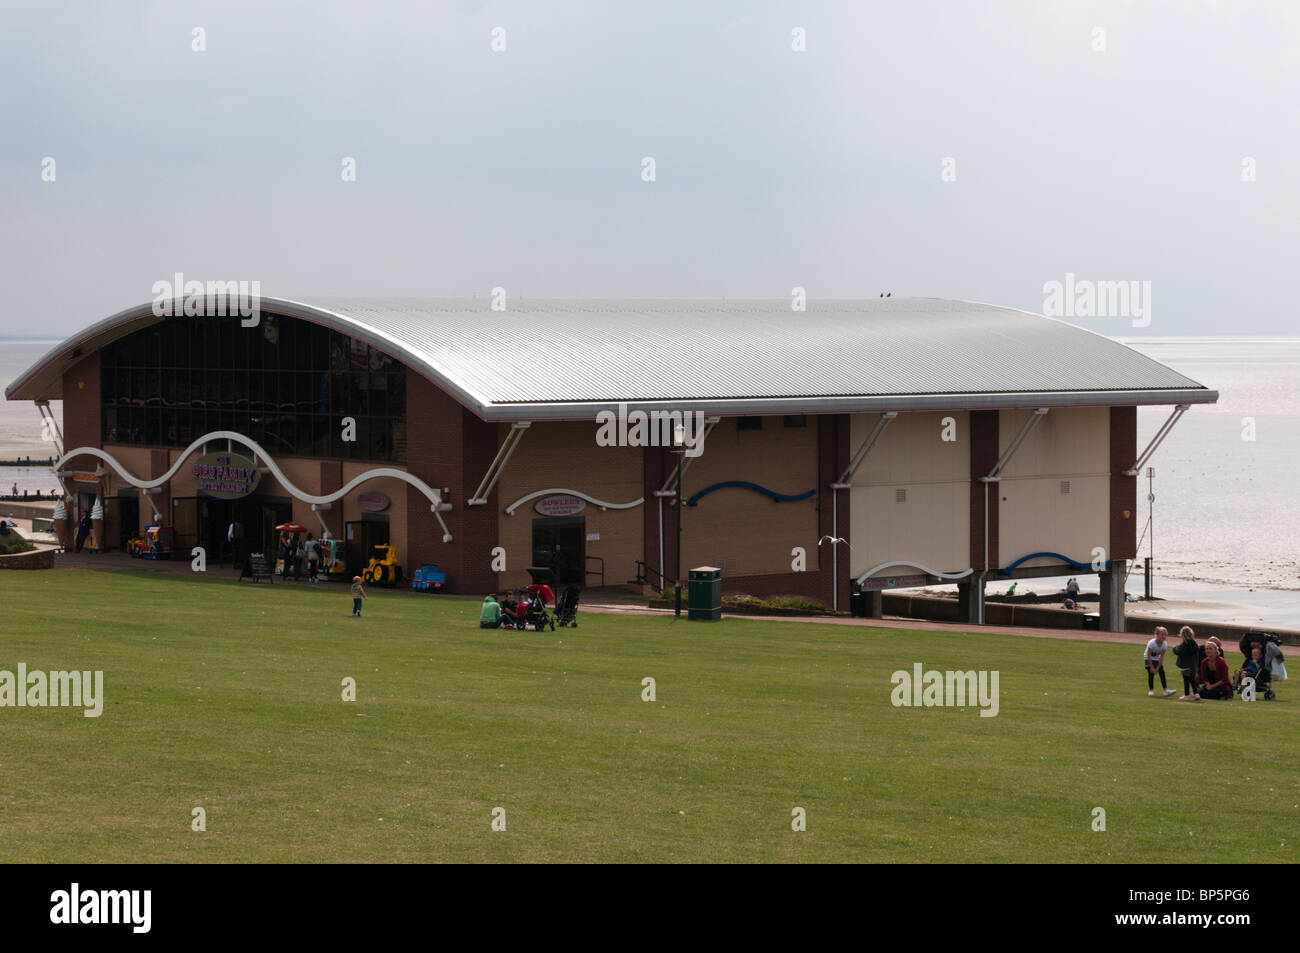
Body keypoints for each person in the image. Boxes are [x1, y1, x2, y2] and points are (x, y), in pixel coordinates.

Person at [1172, 626, 1202, 700]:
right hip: (1193, 666)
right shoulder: (1194, 644)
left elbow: (1178, 651)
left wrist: (1174, 648)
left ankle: (1186, 695)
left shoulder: (1184, 644)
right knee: (1192, 681)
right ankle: (1196, 694)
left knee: (1186, 681)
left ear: (1182, 635)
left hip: (1185, 666)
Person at [1144, 626, 1176, 696]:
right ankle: (1151, 691)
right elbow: (1148, 655)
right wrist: (1152, 667)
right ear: (1157, 635)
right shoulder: (1152, 643)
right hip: (1148, 658)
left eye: (1165, 635)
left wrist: (1158, 667)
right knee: (1151, 673)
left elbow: (1161, 657)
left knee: (1162, 672)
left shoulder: (1165, 644)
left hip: (1156, 658)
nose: (1164, 636)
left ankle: (1165, 690)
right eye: (1162, 634)